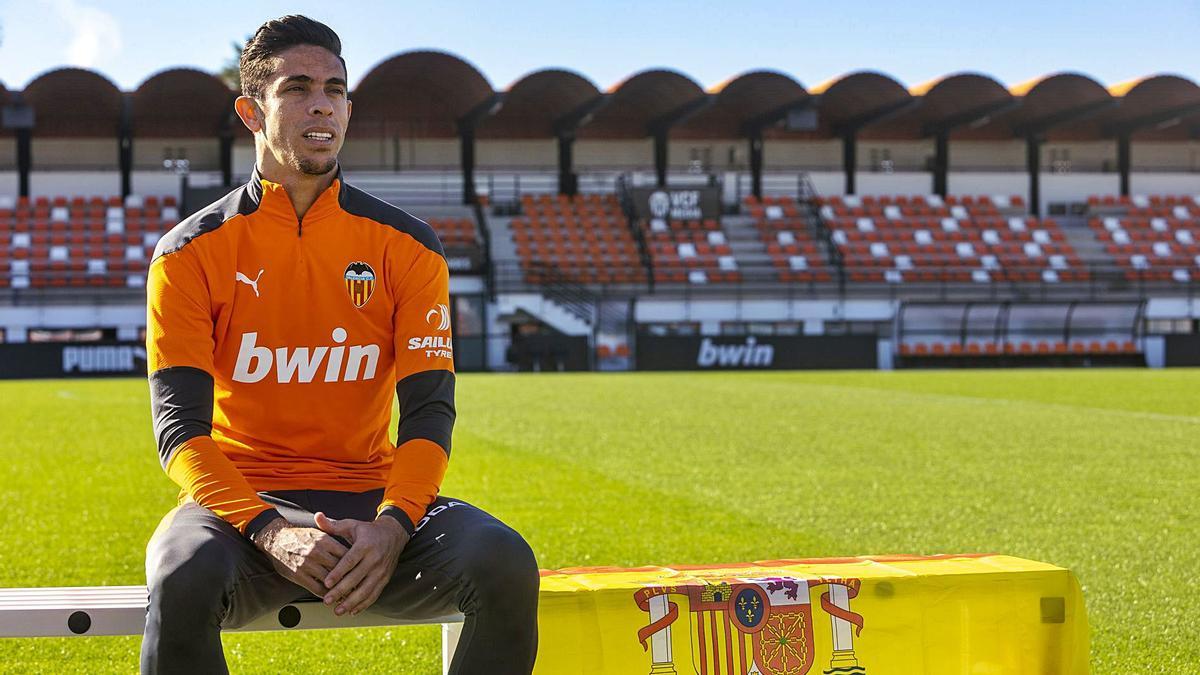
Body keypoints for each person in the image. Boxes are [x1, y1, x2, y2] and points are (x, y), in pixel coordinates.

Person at [141, 15, 538, 674]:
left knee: (503, 559)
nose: (321, 102)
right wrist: (270, 530)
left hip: (371, 508)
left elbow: (429, 414)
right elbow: (180, 430)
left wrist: (393, 525)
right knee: (181, 573)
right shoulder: (188, 252)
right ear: (251, 111)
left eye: (335, 88)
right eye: (297, 88)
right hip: (243, 510)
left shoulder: (406, 246)